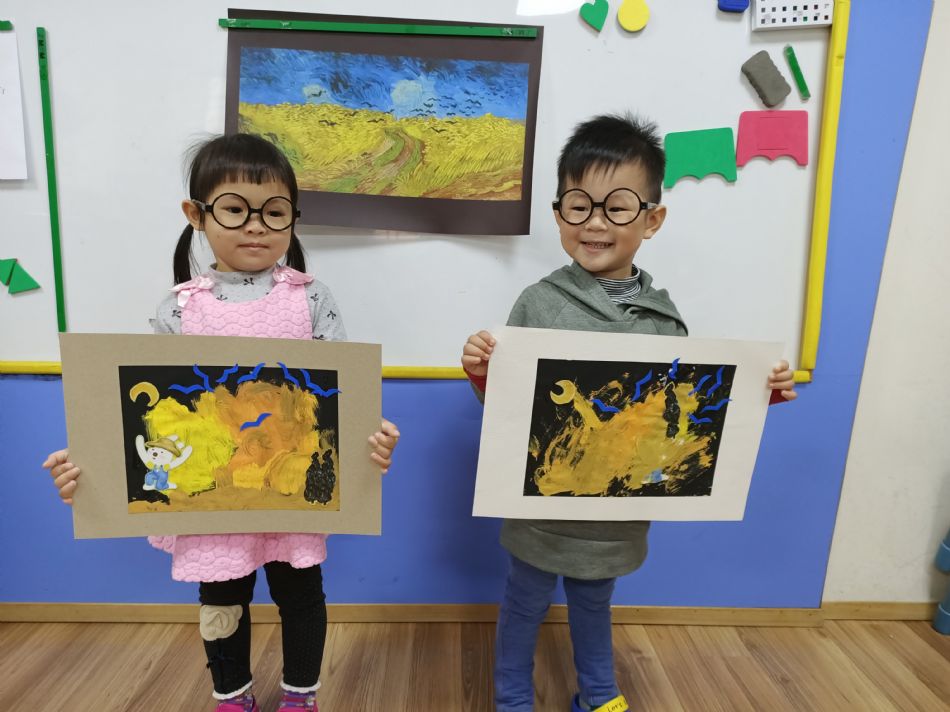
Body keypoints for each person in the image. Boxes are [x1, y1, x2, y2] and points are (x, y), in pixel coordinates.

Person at [43, 133, 400, 712]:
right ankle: (232, 696)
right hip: (213, 491)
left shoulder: (312, 298)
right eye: (235, 210)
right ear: (197, 214)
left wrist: (373, 437)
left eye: (274, 211)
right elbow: (153, 415)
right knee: (221, 596)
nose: (256, 226)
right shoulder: (179, 307)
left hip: (289, 484)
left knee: (301, 592)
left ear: (292, 216)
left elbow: (343, 394)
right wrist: (91, 464)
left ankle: (300, 696)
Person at [461, 114, 797, 712]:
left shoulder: (665, 321)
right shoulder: (538, 304)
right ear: (559, 213)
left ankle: (597, 692)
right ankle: (512, 698)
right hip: (540, 509)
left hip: (615, 513)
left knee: (594, 601)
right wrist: (482, 372)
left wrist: (758, 391)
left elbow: (685, 416)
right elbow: (507, 411)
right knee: (524, 600)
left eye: (616, 207)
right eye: (578, 205)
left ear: (651, 219)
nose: (595, 222)